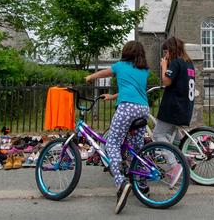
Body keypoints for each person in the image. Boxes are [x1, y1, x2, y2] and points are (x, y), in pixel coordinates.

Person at [84, 40, 149, 215]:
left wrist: (90, 77)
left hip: (127, 108)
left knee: (112, 143)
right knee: (137, 147)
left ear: (126, 52)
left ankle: (121, 182)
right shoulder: (144, 70)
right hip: (143, 109)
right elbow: (133, 89)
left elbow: (105, 72)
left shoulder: (120, 66)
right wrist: (113, 96)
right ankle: (142, 183)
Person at [153, 36, 196, 185]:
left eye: (166, 52)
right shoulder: (189, 63)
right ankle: (187, 159)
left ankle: (174, 166)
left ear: (171, 50)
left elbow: (166, 81)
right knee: (175, 137)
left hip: (173, 106)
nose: (165, 55)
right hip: (185, 107)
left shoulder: (176, 62)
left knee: (158, 134)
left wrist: (164, 65)